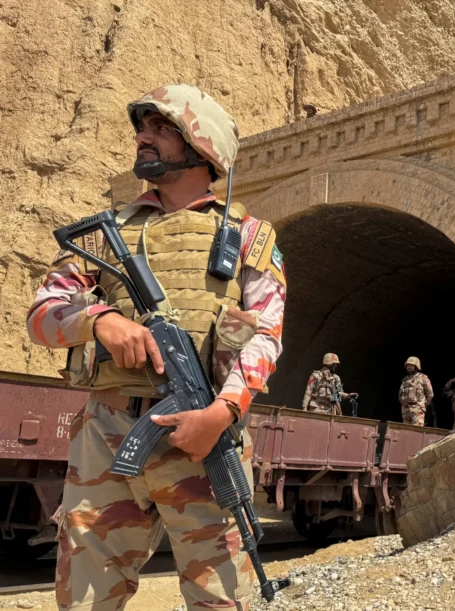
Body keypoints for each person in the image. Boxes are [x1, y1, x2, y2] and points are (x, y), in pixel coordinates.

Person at [27, 84, 287, 611]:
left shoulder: (249, 237)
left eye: (161, 128)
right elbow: (42, 316)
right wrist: (99, 320)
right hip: (107, 434)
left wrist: (220, 413)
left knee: (222, 599)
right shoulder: (105, 237)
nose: (142, 138)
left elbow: (266, 336)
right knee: (84, 601)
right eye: (141, 128)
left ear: (202, 145)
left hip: (204, 437)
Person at [398, 356, 433, 426]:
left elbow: (430, 394)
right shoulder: (404, 380)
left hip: (417, 410)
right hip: (405, 411)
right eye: (408, 365)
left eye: (411, 365)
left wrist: (422, 406)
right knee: (406, 431)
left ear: (416, 366)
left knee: (416, 431)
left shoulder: (423, 378)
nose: (409, 367)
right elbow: (400, 395)